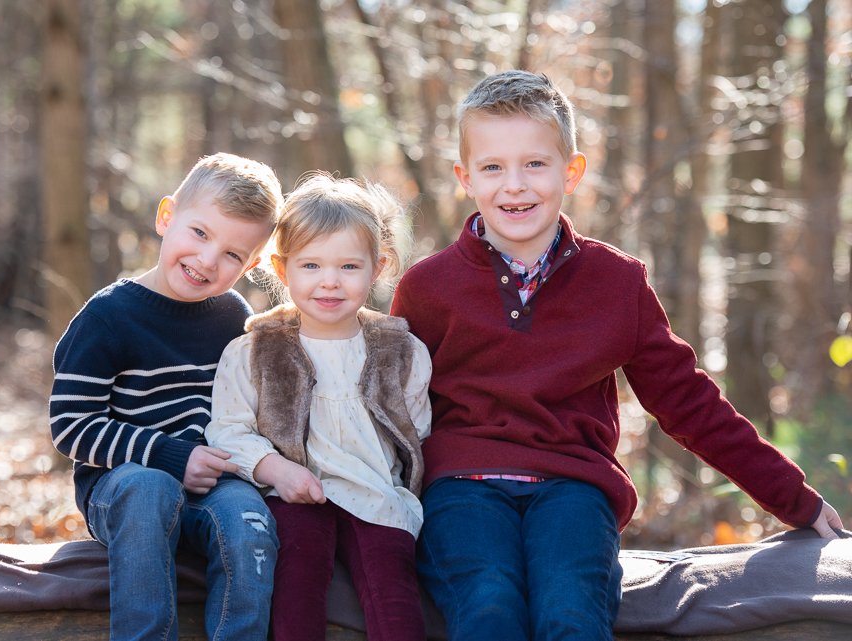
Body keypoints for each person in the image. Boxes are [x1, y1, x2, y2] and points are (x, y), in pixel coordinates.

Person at [390, 70, 845, 641]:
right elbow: (389, 408)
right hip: (461, 484)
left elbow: (687, 401)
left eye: (535, 164)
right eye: (492, 168)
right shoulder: (428, 288)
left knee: (571, 611)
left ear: (571, 171)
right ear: (465, 178)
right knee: (488, 606)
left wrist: (792, 497)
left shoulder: (616, 282)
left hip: (572, 486)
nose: (515, 185)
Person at [49, 152, 283, 641]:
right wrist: (171, 457)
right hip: (121, 488)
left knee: (249, 518)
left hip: (214, 485)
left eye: (232, 255)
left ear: (253, 264)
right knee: (150, 488)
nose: (206, 260)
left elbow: (247, 407)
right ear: (166, 216)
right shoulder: (107, 317)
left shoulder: (232, 318)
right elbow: (71, 427)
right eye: (199, 233)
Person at [206, 173, 432, 641]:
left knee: (392, 588)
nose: (329, 282)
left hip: (375, 492)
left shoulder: (401, 350)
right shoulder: (254, 350)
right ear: (281, 268)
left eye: (349, 267)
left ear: (378, 267)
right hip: (295, 493)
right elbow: (229, 430)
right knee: (295, 580)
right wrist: (276, 471)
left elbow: (418, 432)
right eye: (310, 266)